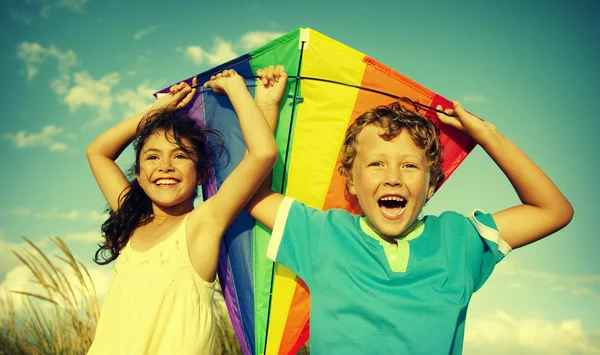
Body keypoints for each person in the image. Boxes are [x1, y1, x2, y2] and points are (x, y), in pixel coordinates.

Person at [248, 67, 574, 354]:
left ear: (431, 185)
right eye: (376, 164)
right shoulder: (322, 234)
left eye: (409, 166)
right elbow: (251, 193)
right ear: (350, 182)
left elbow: (552, 210)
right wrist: (265, 105)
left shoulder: (459, 240)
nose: (393, 178)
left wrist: (487, 135)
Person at [86, 68, 279, 354]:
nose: (165, 166)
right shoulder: (132, 222)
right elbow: (97, 152)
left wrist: (239, 89)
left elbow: (262, 153)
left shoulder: (203, 223)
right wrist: (155, 111)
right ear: (138, 175)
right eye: (152, 157)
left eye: (179, 155)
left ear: (201, 174)